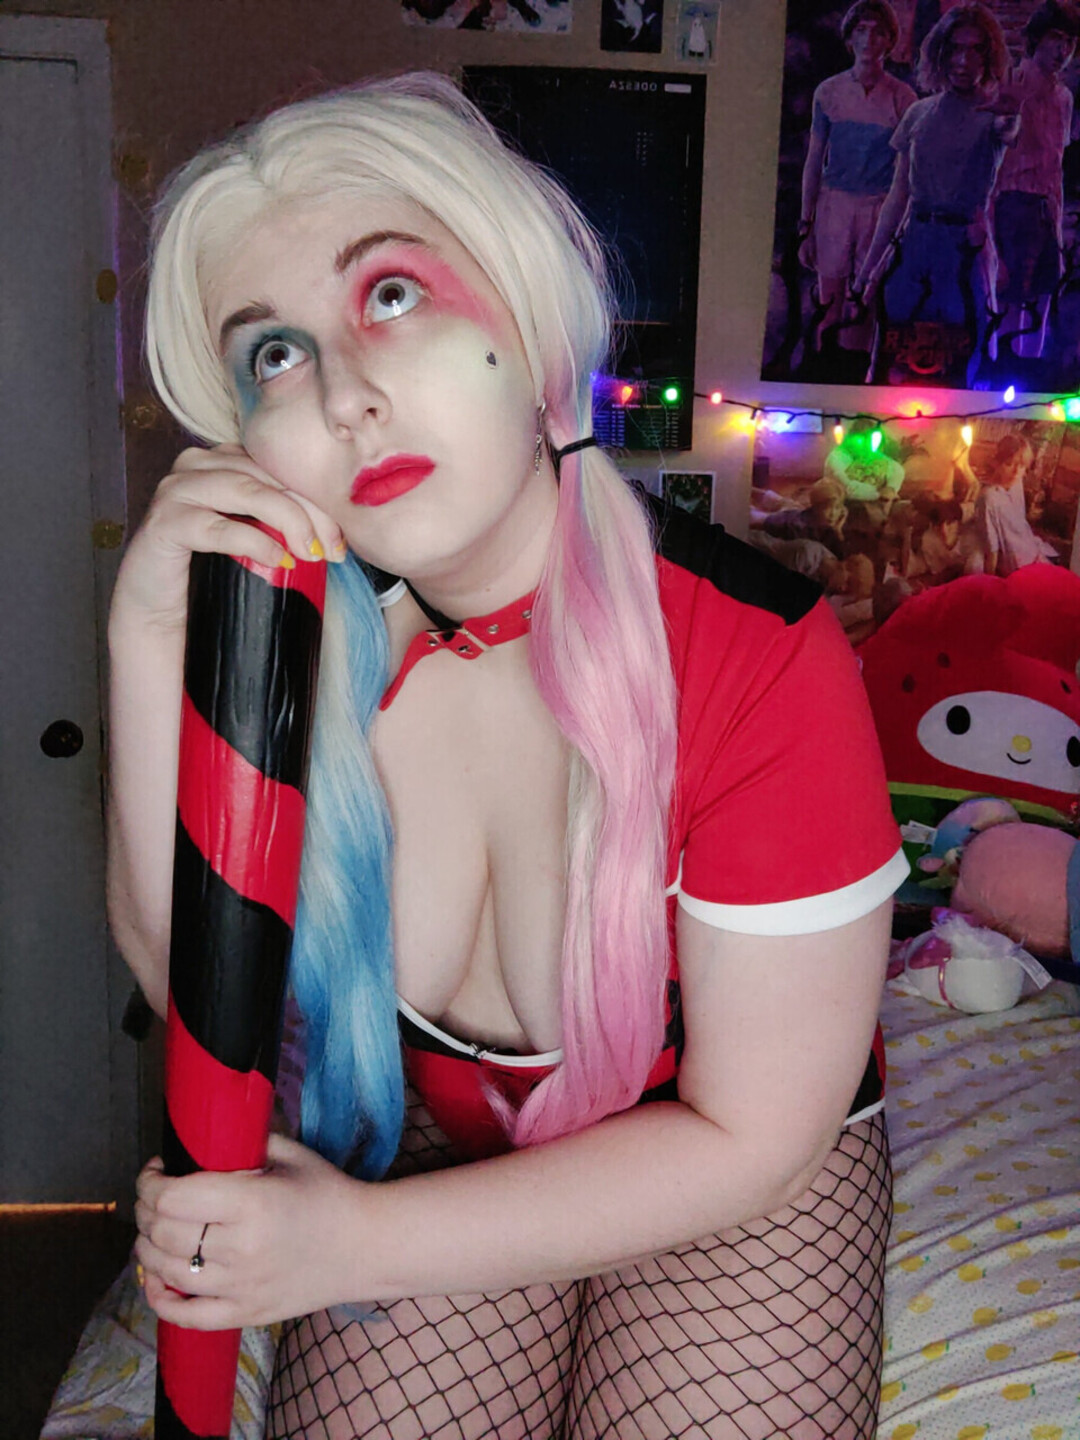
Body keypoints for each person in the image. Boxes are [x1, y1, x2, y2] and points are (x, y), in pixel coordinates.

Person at [108, 74, 905, 1439]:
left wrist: (350, 1244)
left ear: (528, 318)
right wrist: (143, 642)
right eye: (275, 356)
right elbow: (198, 996)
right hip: (450, 1141)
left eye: (391, 295)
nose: (345, 396)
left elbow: (754, 1138)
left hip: (730, 1168)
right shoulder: (292, 643)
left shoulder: (758, 652)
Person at [854, 3, 1020, 387]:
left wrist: (1012, 114)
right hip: (914, 243)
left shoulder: (992, 115)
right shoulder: (918, 113)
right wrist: (868, 272)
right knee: (895, 356)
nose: (963, 60)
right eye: (956, 48)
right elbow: (897, 197)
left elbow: (1008, 130)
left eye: (975, 50)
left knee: (962, 363)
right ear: (941, 52)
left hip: (963, 248)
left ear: (988, 56)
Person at [799, 1, 917, 354]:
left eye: (878, 32)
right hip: (835, 203)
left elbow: (906, 174)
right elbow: (814, 159)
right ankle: (824, 367)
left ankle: (856, 370)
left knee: (864, 300)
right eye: (861, 31)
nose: (869, 40)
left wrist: (898, 226)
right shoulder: (829, 92)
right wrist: (806, 223)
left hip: (878, 207)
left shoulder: (903, 98)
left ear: (890, 40)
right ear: (850, 38)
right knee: (829, 298)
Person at [993, 1, 1080, 361]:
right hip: (1013, 201)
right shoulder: (1014, 82)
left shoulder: (1063, 96)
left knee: (1044, 295)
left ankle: (1031, 368)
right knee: (1011, 298)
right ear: (1036, 39)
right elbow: (997, 149)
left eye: (1070, 42)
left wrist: (1057, 222)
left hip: (1047, 205)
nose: (1063, 50)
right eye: (1056, 39)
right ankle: (1003, 369)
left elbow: (1056, 161)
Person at [975, 432, 1057, 576]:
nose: (1016, 472)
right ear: (997, 462)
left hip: (1032, 550)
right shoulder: (988, 498)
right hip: (1017, 566)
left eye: (1022, 466)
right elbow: (991, 548)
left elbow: (1020, 523)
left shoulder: (1016, 483)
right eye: (1009, 464)